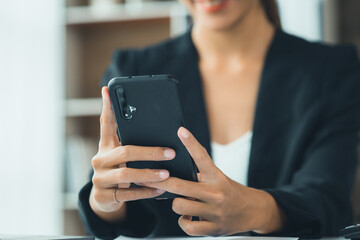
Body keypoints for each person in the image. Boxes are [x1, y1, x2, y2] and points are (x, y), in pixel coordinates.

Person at [78, 0, 360, 239]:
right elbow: (130, 206)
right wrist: (104, 202)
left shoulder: (332, 70)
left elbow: (327, 197)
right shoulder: (133, 70)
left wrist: (254, 209)